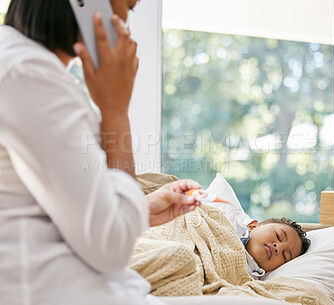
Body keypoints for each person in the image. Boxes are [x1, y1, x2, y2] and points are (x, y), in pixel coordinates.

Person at [0, 1, 289, 305]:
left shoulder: (23, 68)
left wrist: (142, 208)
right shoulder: (33, 80)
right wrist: (115, 110)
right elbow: (111, 246)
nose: (126, 22)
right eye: (128, 6)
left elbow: (60, 208)